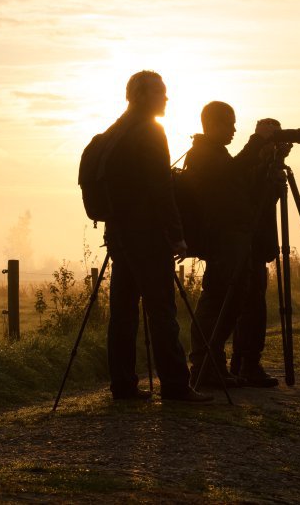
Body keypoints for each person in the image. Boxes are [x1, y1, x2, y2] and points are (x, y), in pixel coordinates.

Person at [103, 70, 212, 403]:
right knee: (162, 311)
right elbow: (161, 188)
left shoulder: (114, 131)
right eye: (160, 92)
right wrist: (177, 235)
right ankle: (176, 386)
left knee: (122, 312)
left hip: (118, 235)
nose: (166, 98)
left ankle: (123, 386)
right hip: (147, 237)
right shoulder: (150, 131)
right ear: (142, 95)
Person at [182, 102, 275, 388]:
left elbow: (239, 186)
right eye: (229, 123)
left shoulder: (215, 152)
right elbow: (231, 176)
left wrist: (264, 165)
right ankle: (205, 365)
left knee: (229, 302)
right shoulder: (203, 154)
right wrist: (257, 141)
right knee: (218, 301)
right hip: (221, 240)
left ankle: (213, 365)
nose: (235, 129)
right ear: (212, 124)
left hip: (231, 238)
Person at [230, 119, 290, 388]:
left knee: (250, 304)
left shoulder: (261, 166)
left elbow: (264, 203)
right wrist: (270, 172)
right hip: (247, 244)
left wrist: (276, 165)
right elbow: (253, 204)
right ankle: (248, 364)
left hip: (253, 244)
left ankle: (241, 363)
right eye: (271, 137)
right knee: (252, 305)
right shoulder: (245, 166)